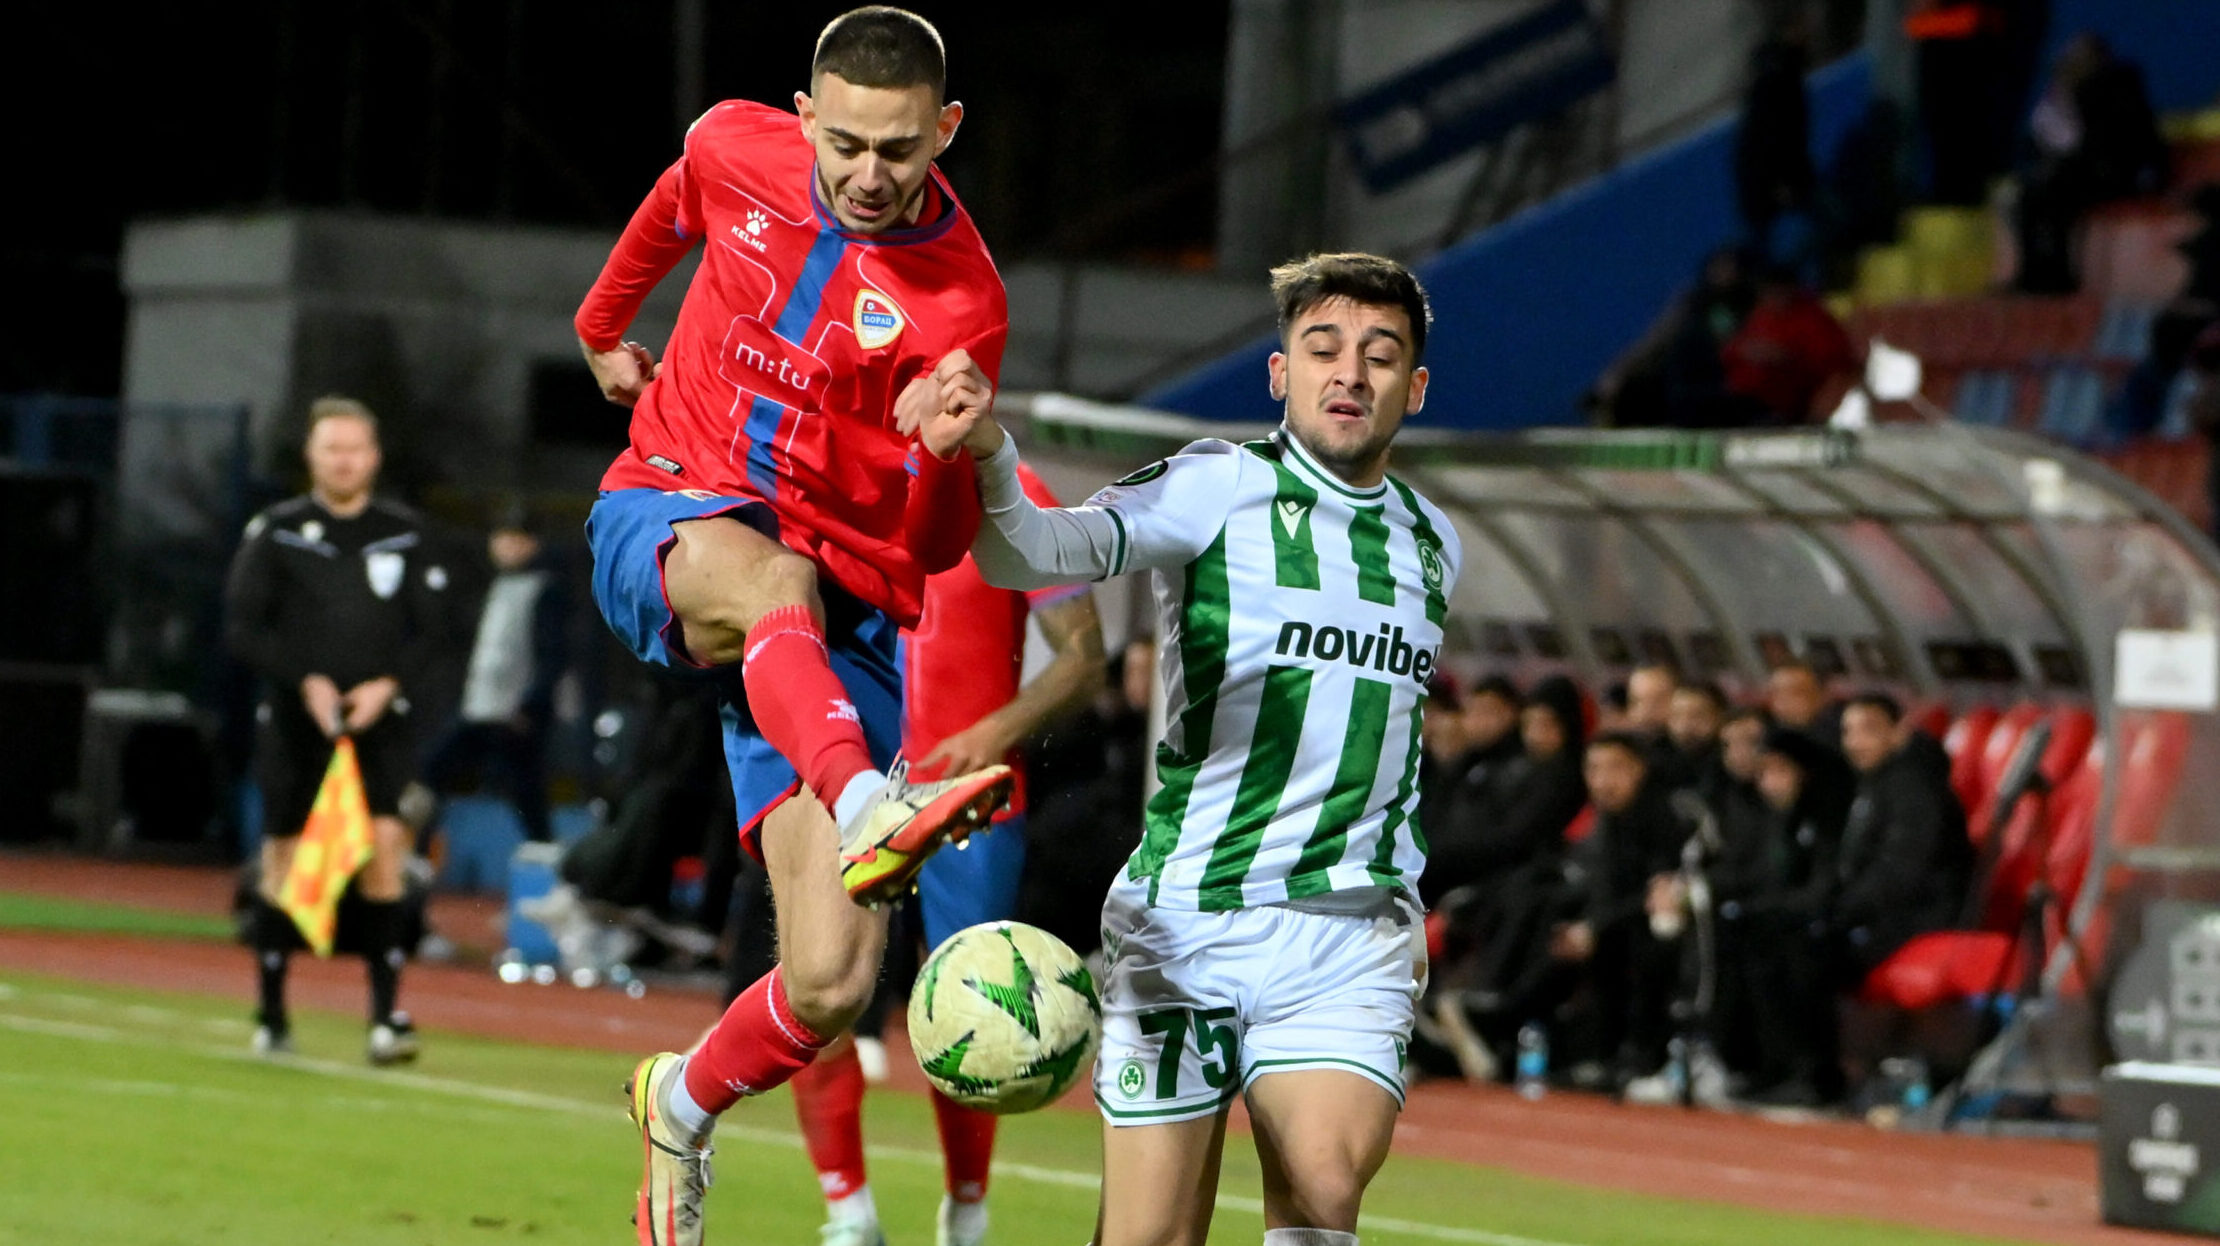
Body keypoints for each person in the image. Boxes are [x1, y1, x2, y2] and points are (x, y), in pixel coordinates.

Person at [593, 13, 1022, 1246]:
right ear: (803, 116)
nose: (868, 174)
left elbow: (938, 549)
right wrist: (599, 326)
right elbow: (674, 206)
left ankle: (678, 1102)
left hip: (849, 618)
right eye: (844, 143)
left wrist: (945, 454)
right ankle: (865, 806)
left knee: (832, 986)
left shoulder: (965, 300)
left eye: (898, 149)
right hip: (674, 508)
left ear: (943, 132)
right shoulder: (739, 147)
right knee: (773, 576)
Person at [961, 252, 1457, 1246]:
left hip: (1345, 932)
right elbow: (1030, 553)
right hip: (1187, 922)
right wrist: (983, 454)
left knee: (1321, 1190)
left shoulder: (1433, 539)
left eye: (1378, 354)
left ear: (1415, 386)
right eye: (1323, 349)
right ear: (1281, 374)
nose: (1349, 373)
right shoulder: (1216, 486)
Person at [787, 460, 1105, 1246]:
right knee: (819, 993)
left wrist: (993, 733)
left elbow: (1084, 655)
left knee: (974, 1004)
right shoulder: (832, 479)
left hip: (973, 805)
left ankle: (967, 1212)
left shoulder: (1013, 493)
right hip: (848, 788)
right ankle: (849, 1216)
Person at [223, 396, 451, 1063]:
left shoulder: (405, 532)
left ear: (373, 457)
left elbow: (436, 632)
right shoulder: (277, 529)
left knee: (384, 845)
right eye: (331, 448)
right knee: (284, 857)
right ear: (311, 456)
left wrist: (388, 684)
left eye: (355, 448)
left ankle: (384, 1019)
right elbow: (241, 627)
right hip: (295, 717)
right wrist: (307, 680)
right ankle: (271, 1015)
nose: (344, 459)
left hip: (379, 720)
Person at [421, 503, 569, 843]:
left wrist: (531, 706)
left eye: (518, 539)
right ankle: (415, 847)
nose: (508, 546)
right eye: (502, 537)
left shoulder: (546, 588)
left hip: (515, 714)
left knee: (525, 787)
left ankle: (542, 857)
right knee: (434, 770)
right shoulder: (485, 585)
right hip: (479, 707)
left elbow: (553, 656)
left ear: (535, 544)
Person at [1832, 694, 1973, 979]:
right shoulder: (1874, 780)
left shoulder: (1915, 790)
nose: (1855, 742)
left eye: (1869, 730)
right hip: (1883, 914)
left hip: (1917, 920)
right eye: (1848, 731)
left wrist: (1835, 912)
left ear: (1899, 732)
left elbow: (1899, 874)